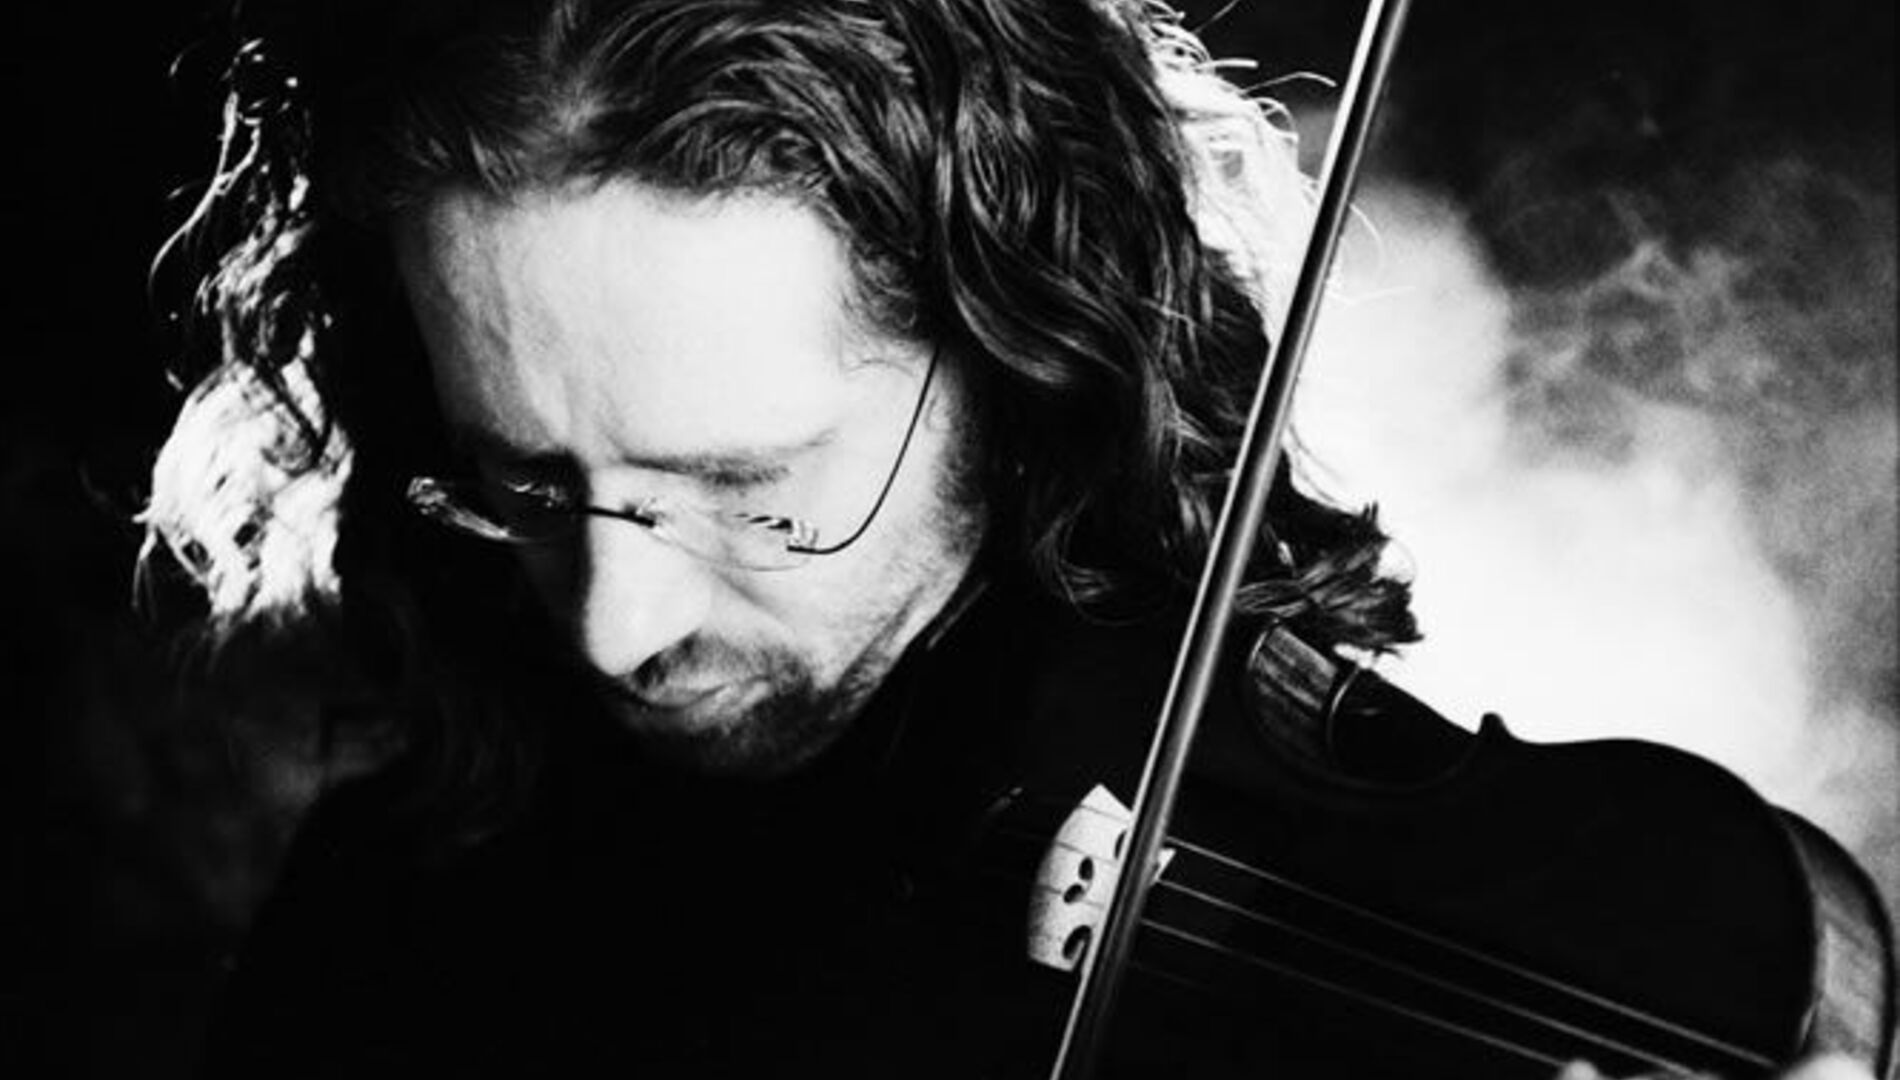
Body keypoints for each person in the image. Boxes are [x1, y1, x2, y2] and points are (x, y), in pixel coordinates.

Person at [140, 0, 1889, 1075]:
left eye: (753, 488)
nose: (613, 624)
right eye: (521, 483)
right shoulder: (392, 915)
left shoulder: (1329, 875)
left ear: (1031, 360)